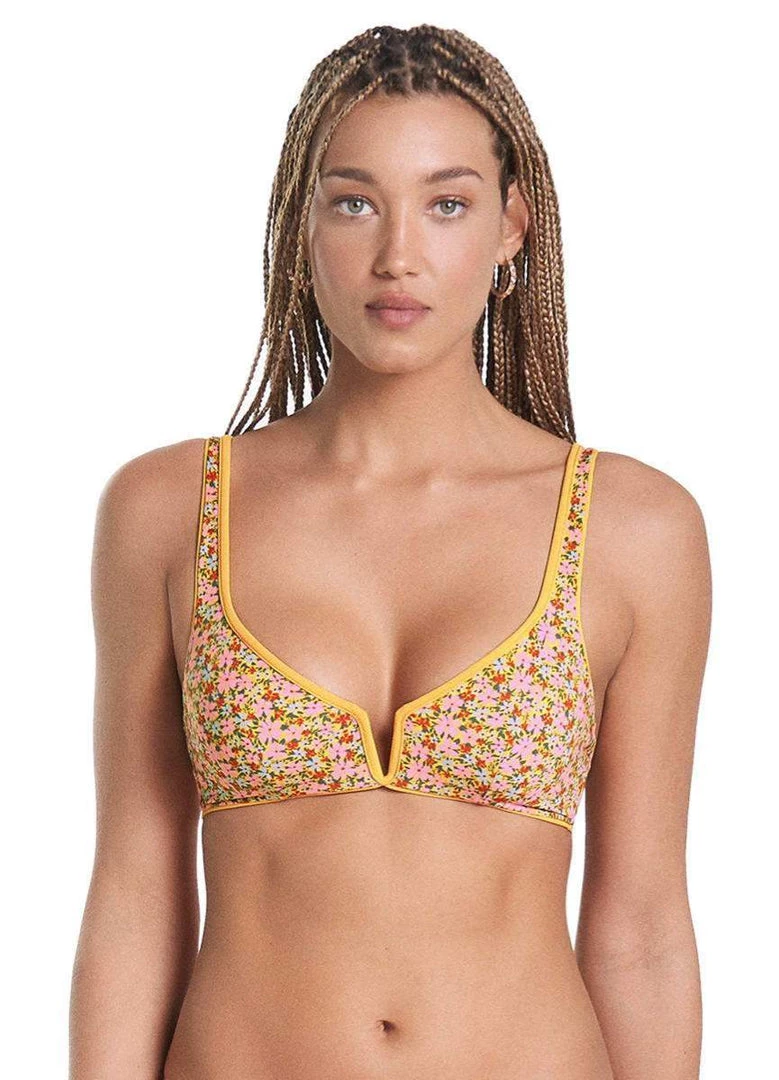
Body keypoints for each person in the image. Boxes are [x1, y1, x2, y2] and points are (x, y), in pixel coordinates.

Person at [69, 24, 709, 1080]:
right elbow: (134, 898)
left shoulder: (634, 529)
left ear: (510, 227)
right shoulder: (170, 510)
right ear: (301, 223)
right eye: (353, 202)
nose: (397, 255)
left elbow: (640, 928)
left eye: (445, 204)